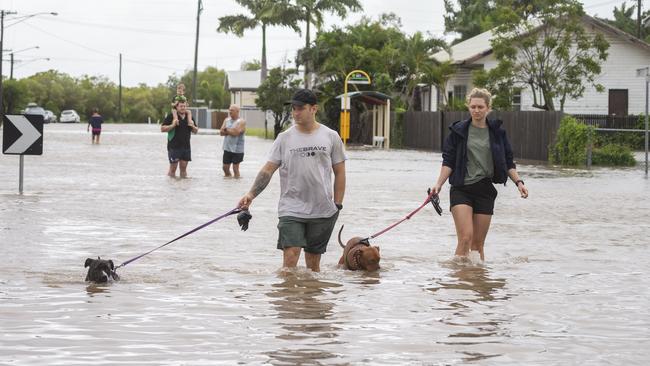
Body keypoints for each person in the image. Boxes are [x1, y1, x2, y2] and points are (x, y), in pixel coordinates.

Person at [238, 89, 346, 272]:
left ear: (313, 109)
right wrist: (251, 194)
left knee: (313, 264)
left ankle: (309, 301)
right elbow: (268, 169)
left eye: (300, 109)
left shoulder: (331, 136)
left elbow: (340, 172)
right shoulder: (284, 138)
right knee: (290, 257)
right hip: (291, 207)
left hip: (322, 209)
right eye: (293, 109)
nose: (295, 113)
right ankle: (288, 299)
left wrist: (337, 204)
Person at [430, 88, 528, 262]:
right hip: (461, 188)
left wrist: (519, 182)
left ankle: (478, 283)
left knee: (478, 244)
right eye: (473, 106)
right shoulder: (458, 131)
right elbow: (448, 161)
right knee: (465, 238)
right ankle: (460, 284)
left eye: (480, 107)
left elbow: (508, 161)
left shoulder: (498, 133)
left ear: (488, 108)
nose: (476, 110)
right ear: (468, 107)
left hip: (485, 190)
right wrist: (438, 184)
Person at [161, 99, 198, 178]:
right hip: (174, 147)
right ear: (176, 107)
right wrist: (173, 125)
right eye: (181, 106)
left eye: (184, 106)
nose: (183, 108)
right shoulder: (171, 116)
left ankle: (183, 187)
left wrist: (192, 126)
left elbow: (196, 131)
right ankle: (171, 187)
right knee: (173, 169)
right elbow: (162, 129)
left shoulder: (189, 117)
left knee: (184, 168)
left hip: (186, 146)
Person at [220, 104, 246, 178]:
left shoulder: (241, 121)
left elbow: (236, 133)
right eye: (229, 110)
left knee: (235, 168)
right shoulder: (226, 120)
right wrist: (230, 130)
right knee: (225, 168)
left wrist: (226, 130)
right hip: (227, 148)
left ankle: (236, 183)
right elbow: (221, 132)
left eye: (232, 110)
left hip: (238, 150)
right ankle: (229, 182)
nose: (230, 111)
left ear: (237, 111)